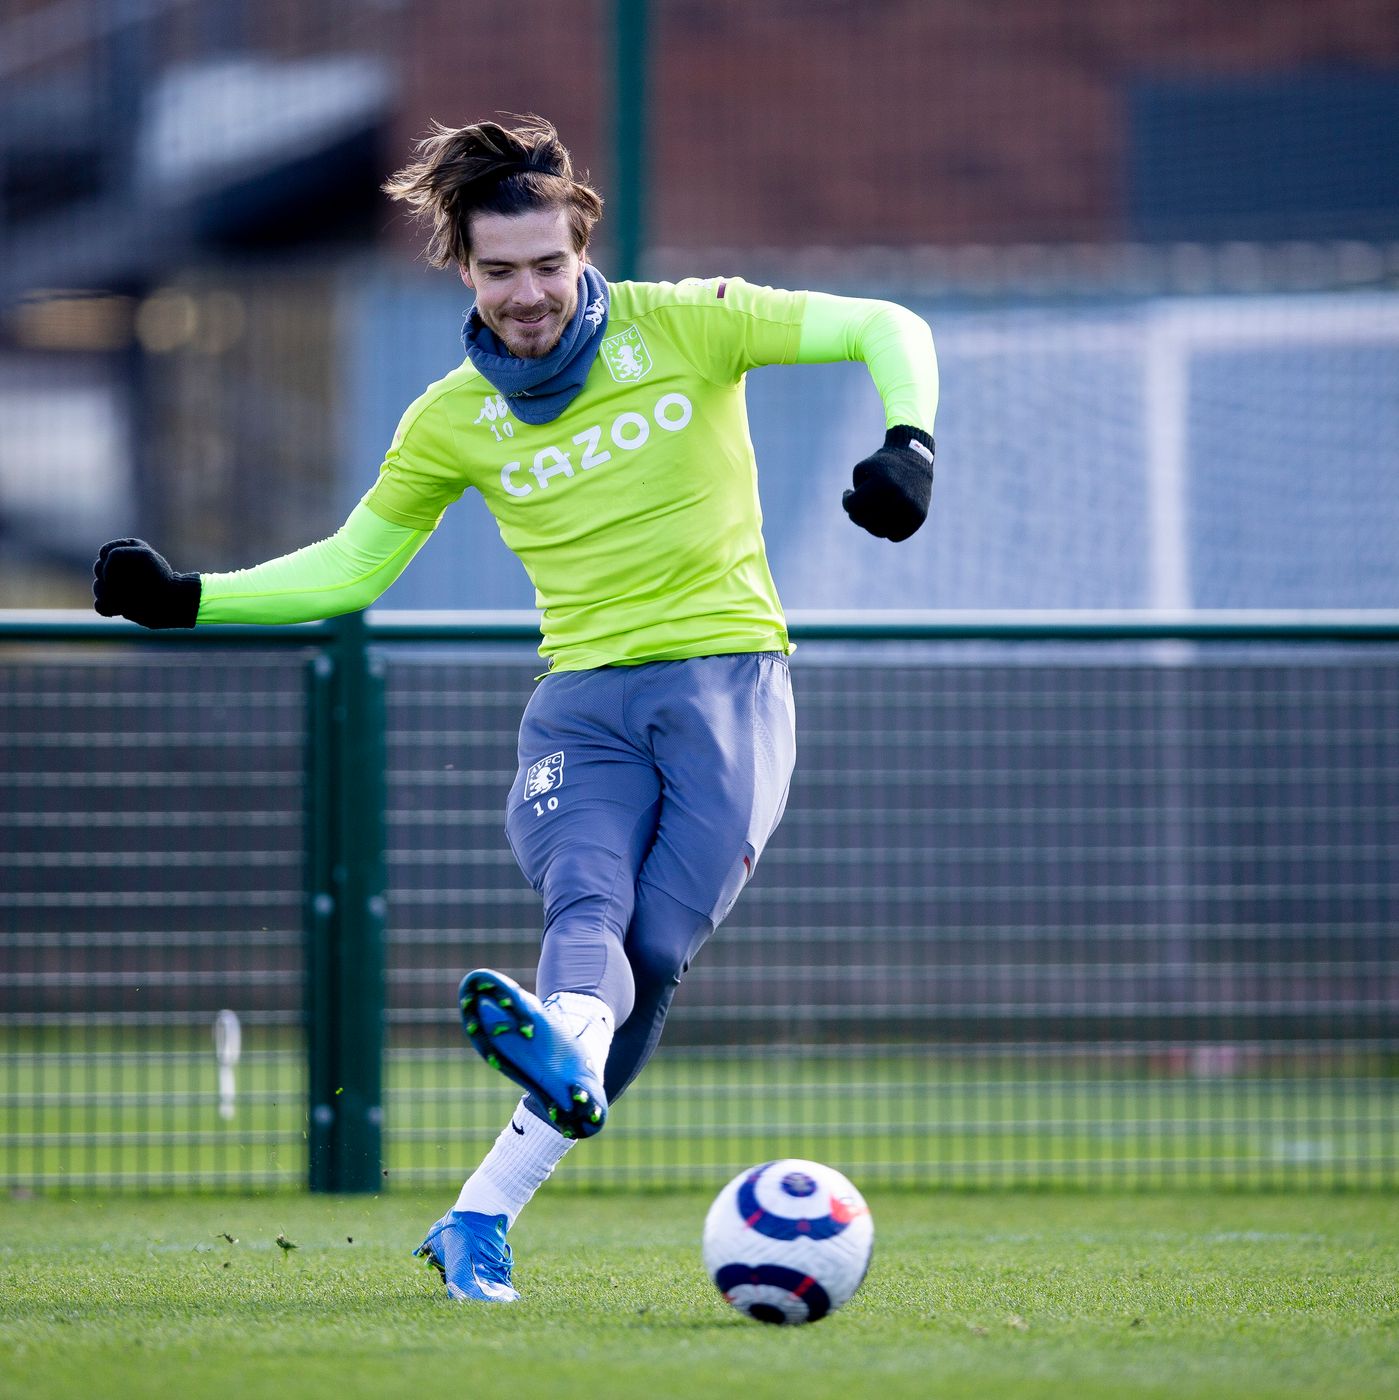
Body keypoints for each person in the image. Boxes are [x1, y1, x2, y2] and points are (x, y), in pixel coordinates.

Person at [92, 115, 939, 1303]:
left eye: (549, 265)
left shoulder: (685, 322)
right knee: (588, 899)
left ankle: (482, 1203)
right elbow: (350, 569)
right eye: (500, 271)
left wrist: (908, 440)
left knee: (651, 952)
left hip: (730, 685)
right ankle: (563, 1064)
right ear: (463, 269)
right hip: (580, 709)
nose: (528, 293)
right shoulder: (449, 418)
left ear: (580, 244)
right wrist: (187, 600)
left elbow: (881, 325)